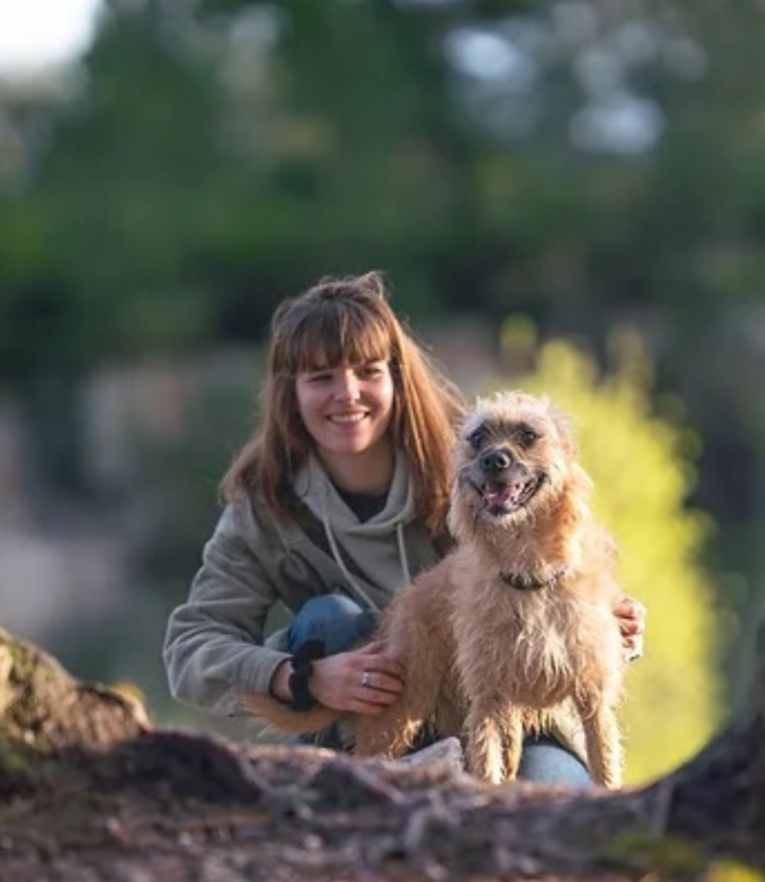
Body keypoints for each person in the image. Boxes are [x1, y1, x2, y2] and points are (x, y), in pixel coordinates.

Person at [163, 272, 646, 785]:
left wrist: (611, 621)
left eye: (367, 371)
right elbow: (190, 647)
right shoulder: (265, 505)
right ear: (290, 393)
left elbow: (565, 539)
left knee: (562, 805)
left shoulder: (475, 458)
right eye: (321, 378)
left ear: (397, 377)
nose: (347, 395)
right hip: (362, 726)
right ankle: (358, 786)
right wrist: (298, 676)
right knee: (331, 619)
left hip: (508, 714)